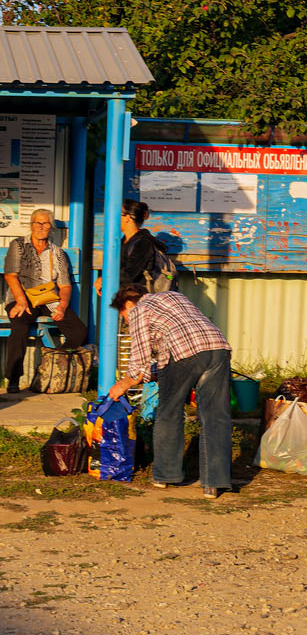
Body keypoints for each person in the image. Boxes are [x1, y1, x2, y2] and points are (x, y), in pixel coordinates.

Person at [106, 284, 233, 498]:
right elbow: (168, 360)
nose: (126, 322)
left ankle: (166, 475)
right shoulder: (174, 295)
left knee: (168, 413)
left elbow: (140, 356)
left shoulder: (139, 309)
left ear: (128, 304)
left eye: (123, 316)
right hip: (218, 347)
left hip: (184, 353)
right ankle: (215, 482)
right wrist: (147, 374)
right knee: (216, 417)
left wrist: (124, 384)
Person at [3, 208, 87, 394]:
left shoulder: (57, 252)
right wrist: (21, 300)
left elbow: (65, 286)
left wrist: (62, 307)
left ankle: (52, 367)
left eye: (45, 223)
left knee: (79, 332)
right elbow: (10, 275)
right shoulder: (18, 245)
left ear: (51, 227)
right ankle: (13, 378)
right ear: (31, 225)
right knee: (20, 327)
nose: (41, 227)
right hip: (22, 298)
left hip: (50, 300)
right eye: (37, 223)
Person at [96, 200, 168, 295]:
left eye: (116, 214)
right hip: (123, 298)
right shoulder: (124, 241)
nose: (112, 218)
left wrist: (105, 279)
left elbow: (129, 275)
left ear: (128, 217)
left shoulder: (144, 242)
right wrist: (102, 278)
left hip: (137, 301)